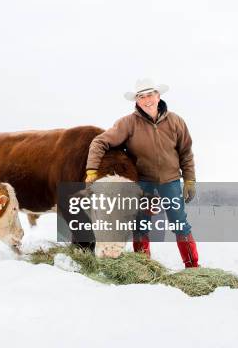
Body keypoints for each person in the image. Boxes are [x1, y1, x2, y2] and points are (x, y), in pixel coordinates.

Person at [85, 78, 199, 268]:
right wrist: (91, 170)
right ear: (136, 101)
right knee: (140, 226)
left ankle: (192, 266)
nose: (147, 100)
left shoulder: (176, 121)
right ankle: (143, 267)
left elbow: (186, 153)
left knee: (180, 224)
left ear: (158, 96)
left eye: (150, 95)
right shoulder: (128, 124)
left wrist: (189, 179)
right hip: (143, 184)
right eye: (141, 96)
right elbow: (99, 142)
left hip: (170, 182)